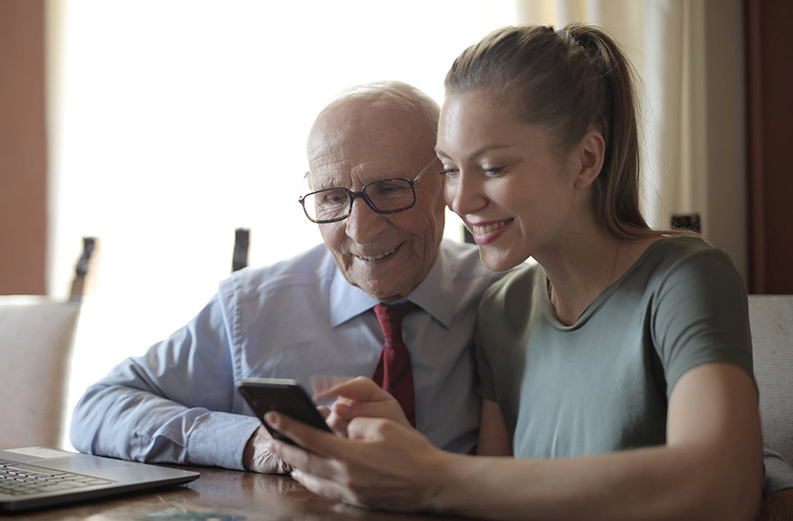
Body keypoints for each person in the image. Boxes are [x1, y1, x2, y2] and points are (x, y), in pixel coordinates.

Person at [267, 24, 793, 520]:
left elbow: (724, 488)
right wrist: (405, 451)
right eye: (449, 169)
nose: (460, 199)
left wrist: (431, 474)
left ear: (586, 160)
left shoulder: (684, 278)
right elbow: (499, 497)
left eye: (493, 168)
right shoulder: (504, 307)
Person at [69, 81, 502, 473]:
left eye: (389, 189)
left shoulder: (507, 301)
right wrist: (250, 441)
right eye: (333, 198)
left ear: (447, 181)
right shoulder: (252, 308)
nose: (359, 230)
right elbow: (98, 409)